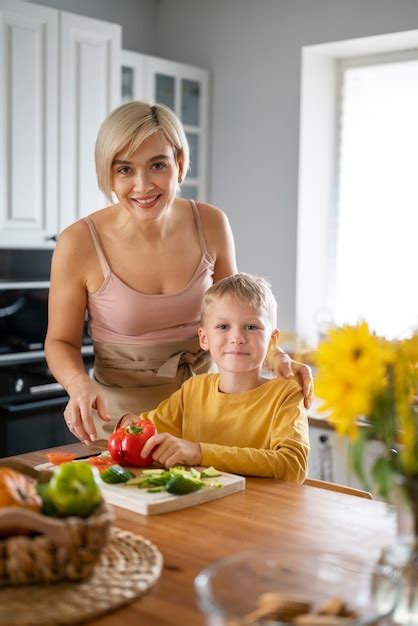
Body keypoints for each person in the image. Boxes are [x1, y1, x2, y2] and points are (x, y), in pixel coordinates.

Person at [45, 101, 313, 446]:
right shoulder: (78, 242)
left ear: (180, 163)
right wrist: (78, 383)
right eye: (124, 170)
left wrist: (277, 357)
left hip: (210, 411)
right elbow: (60, 341)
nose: (142, 186)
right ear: (108, 174)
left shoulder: (212, 223)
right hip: (124, 422)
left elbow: (239, 313)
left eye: (157, 165)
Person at [134, 273, 309, 482]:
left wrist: (200, 453)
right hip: (199, 507)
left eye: (251, 327)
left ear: (272, 339)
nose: (237, 338)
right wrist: (125, 424)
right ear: (204, 338)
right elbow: (143, 432)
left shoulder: (286, 394)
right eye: (223, 327)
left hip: (260, 511)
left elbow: (293, 465)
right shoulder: (192, 390)